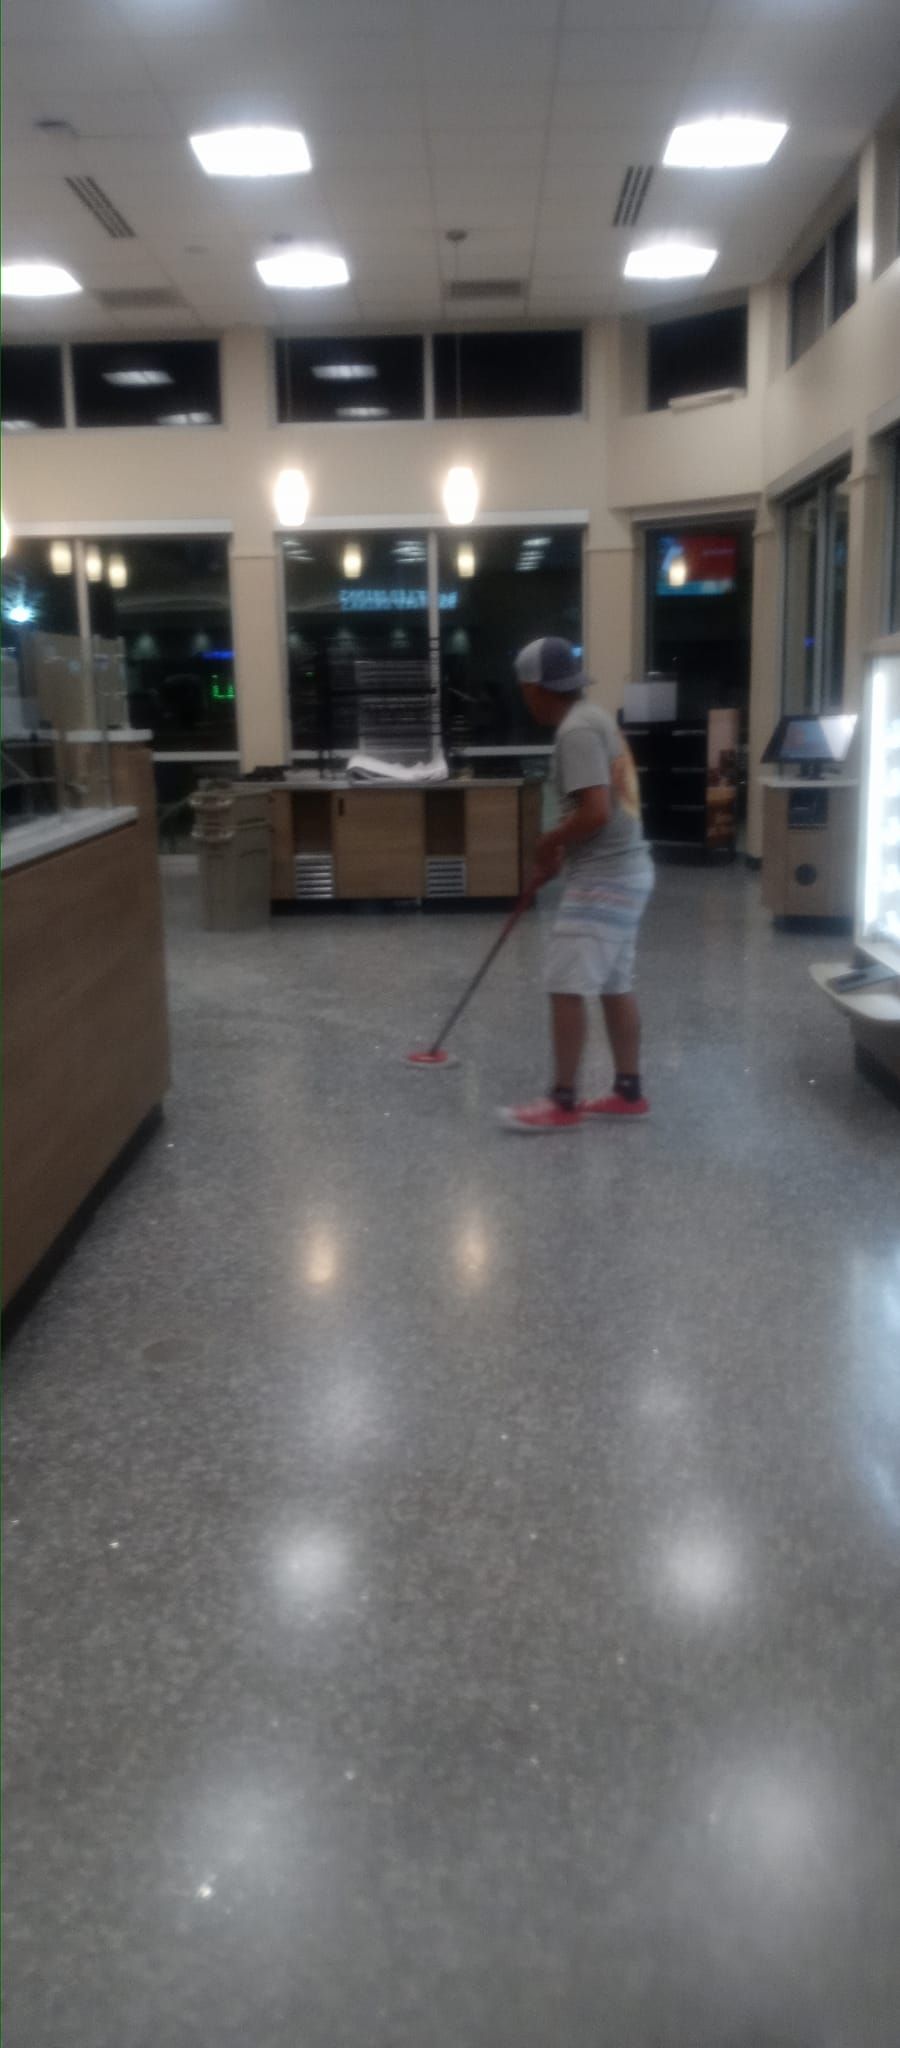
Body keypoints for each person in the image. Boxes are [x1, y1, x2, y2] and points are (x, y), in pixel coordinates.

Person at [500, 637, 654, 1133]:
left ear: (536, 688)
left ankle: (562, 1101)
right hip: (626, 869)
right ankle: (628, 1091)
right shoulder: (595, 718)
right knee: (614, 983)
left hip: (606, 878)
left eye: (525, 690)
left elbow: (594, 810)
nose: (525, 701)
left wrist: (548, 841)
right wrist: (566, 846)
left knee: (565, 984)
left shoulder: (575, 732)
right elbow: (597, 811)